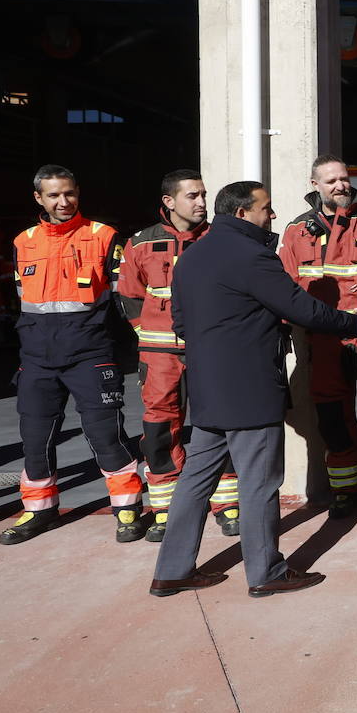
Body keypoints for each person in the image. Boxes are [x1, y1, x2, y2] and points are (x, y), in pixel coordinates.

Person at [148, 181, 357, 599]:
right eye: (266, 209)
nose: (273, 216)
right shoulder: (252, 256)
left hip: (208, 389)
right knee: (260, 483)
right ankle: (266, 572)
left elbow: (181, 324)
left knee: (194, 481)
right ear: (243, 213)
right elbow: (303, 309)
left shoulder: (192, 255)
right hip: (251, 390)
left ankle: (171, 571)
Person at [0, 164, 147, 545]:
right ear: (39, 198)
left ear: (78, 193)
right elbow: (24, 304)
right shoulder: (23, 241)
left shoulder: (104, 236)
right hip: (37, 357)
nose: (63, 202)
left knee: (105, 434)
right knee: (34, 437)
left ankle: (128, 507)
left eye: (69, 194)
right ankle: (39, 509)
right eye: (54, 195)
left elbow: (126, 299)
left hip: (90, 352)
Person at [118, 169, 240, 542]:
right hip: (159, 355)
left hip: (211, 352)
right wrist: (151, 338)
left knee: (219, 424)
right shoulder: (139, 243)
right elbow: (129, 296)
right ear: (170, 202)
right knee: (159, 428)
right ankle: (167, 506)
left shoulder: (221, 239)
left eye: (204, 195)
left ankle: (227, 503)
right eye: (193, 196)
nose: (202, 202)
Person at [279, 156, 357, 520]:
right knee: (332, 417)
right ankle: (345, 490)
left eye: (344, 178)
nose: (340, 185)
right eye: (331, 180)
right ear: (315, 184)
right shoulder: (297, 230)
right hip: (323, 339)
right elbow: (285, 286)